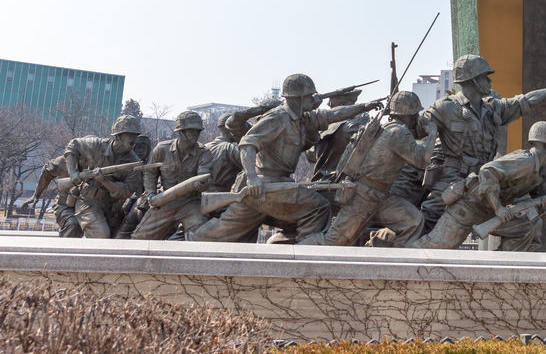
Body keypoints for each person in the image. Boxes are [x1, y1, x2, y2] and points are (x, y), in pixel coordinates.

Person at [189, 74, 379, 244]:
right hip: (266, 183)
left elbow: (333, 114)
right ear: (298, 98)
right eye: (309, 96)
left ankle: (191, 239)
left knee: (228, 227)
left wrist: (365, 106)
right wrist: (253, 178)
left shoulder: (302, 118)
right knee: (318, 207)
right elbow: (247, 144)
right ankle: (306, 252)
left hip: (275, 184)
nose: (314, 99)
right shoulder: (279, 117)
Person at [420, 54, 546, 229]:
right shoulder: (444, 107)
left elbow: (526, 100)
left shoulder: (492, 108)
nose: (489, 81)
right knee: (427, 219)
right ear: (474, 80)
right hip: (452, 180)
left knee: (524, 226)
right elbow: (415, 130)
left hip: (485, 181)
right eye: (485, 77)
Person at [303, 91, 437, 247]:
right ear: (408, 114)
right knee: (333, 241)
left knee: (412, 221)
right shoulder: (398, 132)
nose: (417, 117)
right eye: (415, 113)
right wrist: (433, 132)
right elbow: (421, 160)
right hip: (363, 196)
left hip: (380, 196)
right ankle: (294, 251)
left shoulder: (387, 128)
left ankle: (396, 263)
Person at [420, 121, 546, 251]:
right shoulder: (525, 161)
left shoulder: (540, 175)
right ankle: (397, 248)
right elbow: (487, 171)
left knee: (524, 229)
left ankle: (501, 269)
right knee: (432, 247)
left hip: (488, 212)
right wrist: (498, 208)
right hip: (468, 207)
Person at [132, 110, 212, 240]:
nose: (195, 134)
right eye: (191, 131)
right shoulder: (162, 149)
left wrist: (202, 185)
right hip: (165, 199)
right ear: (181, 132)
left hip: (191, 202)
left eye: (198, 131)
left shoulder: (203, 152)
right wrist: (151, 194)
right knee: (140, 237)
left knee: (201, 232)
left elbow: (205, 177)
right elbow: (150, 173)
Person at [62, 114, 145, 238]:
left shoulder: (133, 162)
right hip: (88, 201)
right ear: (118, 135)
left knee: (118, 238)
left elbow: (126, 190)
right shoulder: (97, 145)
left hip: (112, 208)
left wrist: (104, 181)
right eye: (129, 135)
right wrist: (73, 173)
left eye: (135, 135)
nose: (133, 139)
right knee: (101, 235)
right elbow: (72, 146)